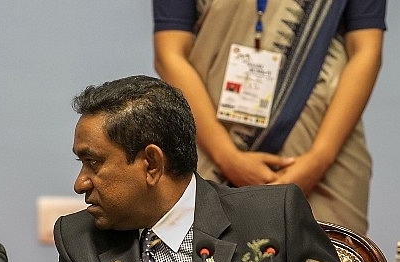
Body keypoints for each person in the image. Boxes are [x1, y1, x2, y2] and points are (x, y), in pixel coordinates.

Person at [53, 75, 346, 262]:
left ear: (152, 164)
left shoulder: (273, 216)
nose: (80, 183)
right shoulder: (79, 240)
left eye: (93, 163)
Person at [152, 0, 385, 235]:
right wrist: (227, 157)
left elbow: (366, 51)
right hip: (210, 149)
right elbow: (169, 54)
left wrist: (319, 160)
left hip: (325, 157)